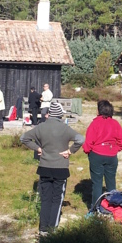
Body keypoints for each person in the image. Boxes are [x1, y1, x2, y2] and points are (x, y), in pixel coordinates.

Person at [21, 100, 84, 234]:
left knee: (45, 199)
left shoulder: (41, 127)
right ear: (60, 115)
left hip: (44, 166)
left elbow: (23, 138)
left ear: (49, 114)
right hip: (60, 168)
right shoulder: (65, 128)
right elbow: (80, 139)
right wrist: (70, 151)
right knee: (57, 199)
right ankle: (51, 229)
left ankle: (42, 228)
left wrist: (37, 148)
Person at [82, 100, 122, 210]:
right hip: (111, 156)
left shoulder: (95, 123)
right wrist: (115, 149)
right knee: (111, 182)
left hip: (96, 155)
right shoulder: (115, 123)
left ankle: (95, 208)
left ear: (98, 111)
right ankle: (113, 207)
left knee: (97, 183)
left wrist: (88, 151)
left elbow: (88, 142)